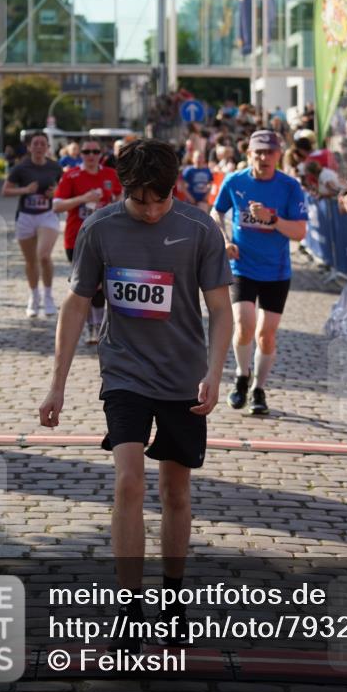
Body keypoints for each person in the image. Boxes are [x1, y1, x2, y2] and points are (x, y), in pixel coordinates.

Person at [39, 139, 233, 648]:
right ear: (122, 188)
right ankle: (129, 609)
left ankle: (172, 600)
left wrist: (216, 372)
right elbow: (75, 306)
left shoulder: (198, 228)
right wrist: (57, 384)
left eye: (159, 200)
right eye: (140, 200)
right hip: (125, 372)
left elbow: (220, 310)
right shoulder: (101, 229)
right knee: (128, 483)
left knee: (175, 493)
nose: (150, 211)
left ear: (174, 188)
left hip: (183, 378)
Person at [212, 129, 308, 416]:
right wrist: (223, 239)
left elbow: (300, 232)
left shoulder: (290, 186)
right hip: (242, 266)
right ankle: (242, 376)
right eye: (259, 152)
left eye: (270, 152)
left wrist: (273, 219)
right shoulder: (235, 181)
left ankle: (258, 388)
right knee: (244, 324)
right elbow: (216, 213)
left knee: (266, 334)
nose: (264, 158)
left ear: (279, 155)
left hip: (276, 271)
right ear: (249, 154)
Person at [53, 138, 122, 344]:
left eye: (95, 152)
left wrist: (113, 204)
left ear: (101, 154)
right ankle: (91, 326)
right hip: (77, 239)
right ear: (80, 154)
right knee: (85, 286)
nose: (91, 156)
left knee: (101, 283)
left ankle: (96, 327)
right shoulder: (71, 175)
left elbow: (121, 199)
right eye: (86, 152)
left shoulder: (111, 174)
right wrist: (83, 199)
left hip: (106, 238)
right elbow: (57, 206)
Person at [3, 132, 63, 318]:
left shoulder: (55, 167)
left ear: (48, 147)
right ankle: (34, 296)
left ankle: (48, 297)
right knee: (30, 261)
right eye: (35, 143)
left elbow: (64, 190)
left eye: (42, 144)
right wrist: (25, 190)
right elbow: (5, 191)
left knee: (43, 256)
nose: (39, 147)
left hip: (47, 215)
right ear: (29, 147)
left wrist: (56, 193)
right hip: (26, 216)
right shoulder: (21, 167)